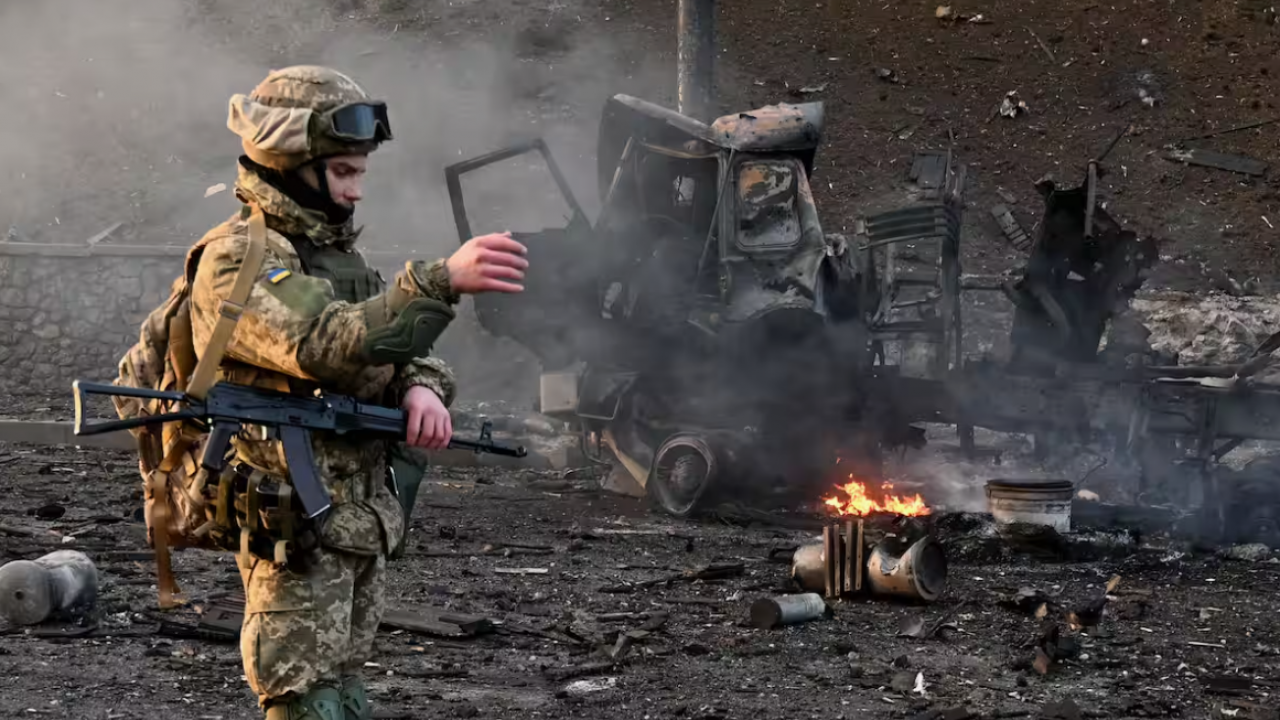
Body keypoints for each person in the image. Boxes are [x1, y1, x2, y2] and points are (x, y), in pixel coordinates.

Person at [191, 65, 528, 720]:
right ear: (291, 162)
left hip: (354, 516)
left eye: (360, 173)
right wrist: (438, 282)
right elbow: (324, 341)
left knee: (343, 686)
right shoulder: (240, 259)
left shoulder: (335, 260)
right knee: (301, 693)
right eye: (344, 172)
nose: (356, 191)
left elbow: (402, 350)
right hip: (294, 518)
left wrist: (422, 390)